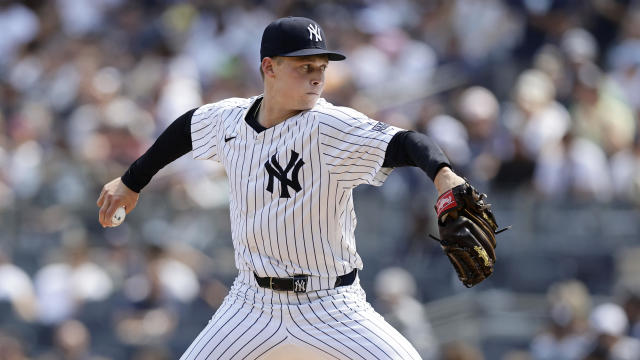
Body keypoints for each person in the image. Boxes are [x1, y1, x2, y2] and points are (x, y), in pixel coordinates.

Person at [97, 16, 466, 360]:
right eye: (305, 67)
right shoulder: (229, 120)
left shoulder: (330, 126)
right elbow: (186, 129)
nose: (317, 78)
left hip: (331, 303)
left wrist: (444, 175)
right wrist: (131, 182)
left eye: (321, 68)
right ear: (269, 67)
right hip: (251, 303)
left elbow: (406, 142)